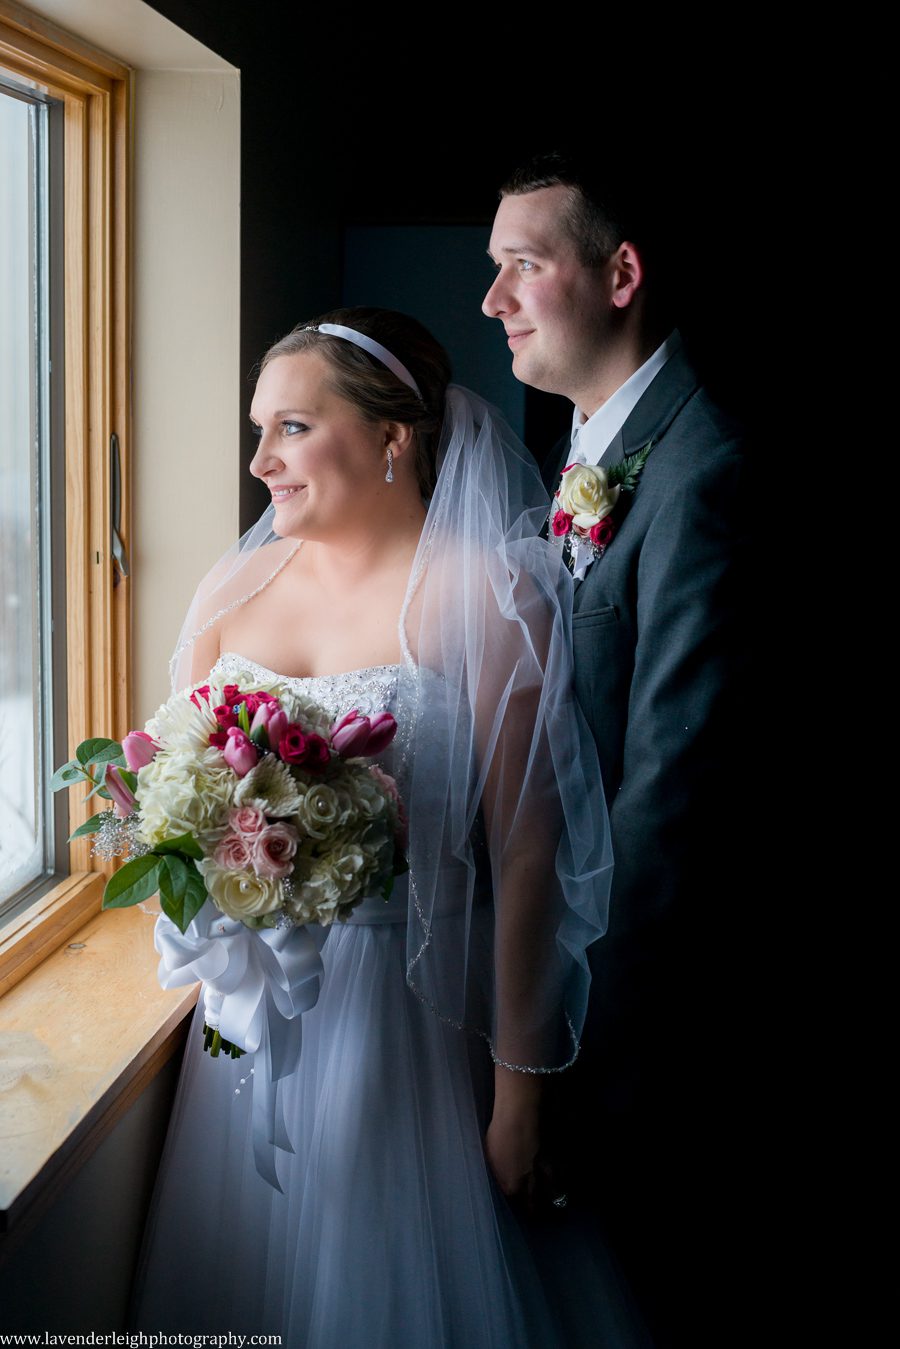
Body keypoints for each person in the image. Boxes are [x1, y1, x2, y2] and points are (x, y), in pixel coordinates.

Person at [130, 308, 652, 1347]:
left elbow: (529, 854)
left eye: (290, 428)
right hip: (243, 1022)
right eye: (258, 429)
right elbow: (174, 799)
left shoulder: (489, 597)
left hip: (406, 1023)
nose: (259, 460)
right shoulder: (231, 591)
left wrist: (521, 1093)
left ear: (389, 439)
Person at [483, 153, 751, 1347]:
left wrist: (559, 1056)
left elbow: (669, 807)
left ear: (621, 273)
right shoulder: (589, 443)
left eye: (521, 265)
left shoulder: (707, 470)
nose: (494, 300)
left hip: (646, 1041)